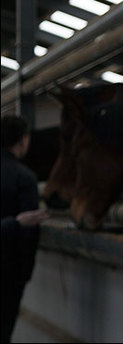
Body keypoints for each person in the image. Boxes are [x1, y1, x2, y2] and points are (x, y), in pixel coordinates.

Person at [1, 115, 48, 343]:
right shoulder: (24, 178)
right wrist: (24, 274)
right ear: (23, 140)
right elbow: (29, 234)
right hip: (8, 272)